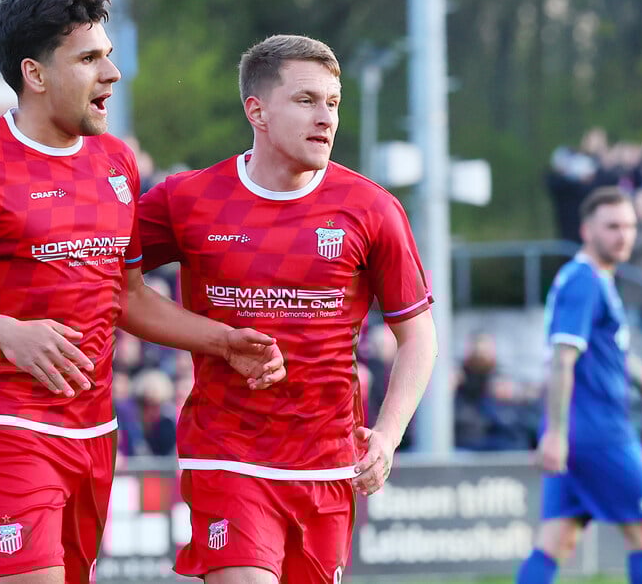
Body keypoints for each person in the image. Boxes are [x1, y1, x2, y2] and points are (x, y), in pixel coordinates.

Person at [0, 0, 285, 584]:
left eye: (108, 54)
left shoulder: (115, 162)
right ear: (35, 74)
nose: (112, 73)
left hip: (94, 429)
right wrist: (7, 333)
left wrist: (221, 341)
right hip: (1, 424)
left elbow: (129, 297)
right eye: (89, 59)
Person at [138, 34, 438, 584]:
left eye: (333, 102)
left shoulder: (371, 208)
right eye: (305, 100)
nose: (325, 116)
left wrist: (389, 435)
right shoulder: (189, 200)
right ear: (257, 110)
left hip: (327, 461)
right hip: (227, 452)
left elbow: (418, 335)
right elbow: (110, 282)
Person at [517, 186, 642, 584]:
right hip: (597, 433)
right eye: (613, 226)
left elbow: (621, 362)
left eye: (630, 226)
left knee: (556, 540)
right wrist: (557, 436)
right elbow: (563, 359)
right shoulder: (584, 280)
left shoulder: (596, 281)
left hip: (578, 434)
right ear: (587, 230)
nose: (624, 235)